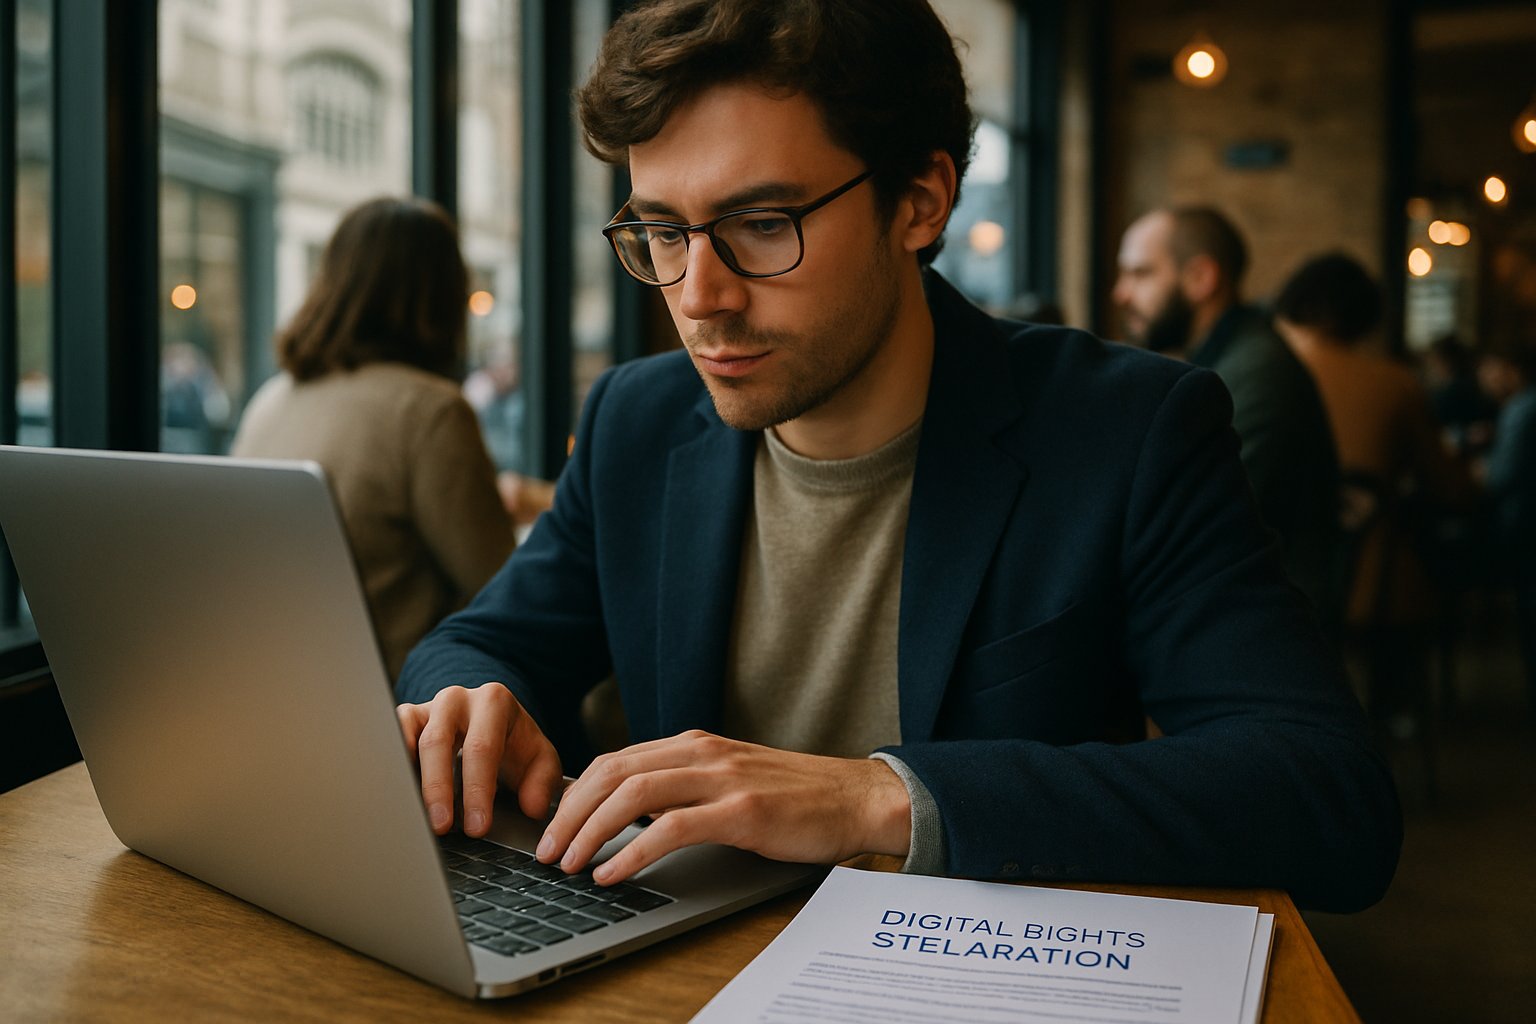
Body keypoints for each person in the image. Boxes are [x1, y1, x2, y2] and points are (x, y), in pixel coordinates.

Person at [396, 0, 1399, 912]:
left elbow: (1325, 796)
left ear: (920, 200)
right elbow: (479, 645)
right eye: (662, 230)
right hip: (688, 972)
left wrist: (877, 796)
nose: (698, 294)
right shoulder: (636, 419)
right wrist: (470, 703)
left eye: (760, 223)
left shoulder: (1128, 429)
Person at [232, 197, 515, 683]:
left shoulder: (272, 399)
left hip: (276, 691)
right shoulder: (430, 411)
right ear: (443, 295)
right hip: (400, 717)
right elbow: (505, 593)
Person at [1273, 252, 1475, 723]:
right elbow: (1452, 489)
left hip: (1283, 585)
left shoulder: (1267, 376)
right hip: (1373, 588)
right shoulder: (1394, 383)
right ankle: (1389, 723)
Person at [1113, 207, 1341, 618]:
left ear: (1201, 278)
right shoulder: (1230, 359)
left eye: (1140, 274)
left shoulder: (1253, 376)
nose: (1121, 294)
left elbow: (1193, 531)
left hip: (1267, 627)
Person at [1476, 341, 1536, 720]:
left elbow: (1500, 478)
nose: (1484, 379)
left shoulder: (1522, 408)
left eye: (1491, 369)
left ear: (1510, 369)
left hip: (1524, 529)